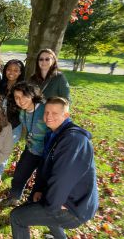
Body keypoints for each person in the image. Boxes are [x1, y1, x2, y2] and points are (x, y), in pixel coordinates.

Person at [9, 97, 98, 239]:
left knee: (17, 217)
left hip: (74, 207)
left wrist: (50, 205)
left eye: (55, 113)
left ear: (66, 115)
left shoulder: (73, 140)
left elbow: (62, 178)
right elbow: (46, 167)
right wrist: (39, 191)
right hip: (67, 199)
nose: (49, 116)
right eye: (46, 112)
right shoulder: (54, 134)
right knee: (49, 207)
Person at [3, 82, 48, 206]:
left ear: (32, 95)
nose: (20, 100)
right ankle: (14, 198)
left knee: (41, 182)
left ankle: (33, 207)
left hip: (47, 153)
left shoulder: (45, 109)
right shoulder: (22, 113)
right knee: (19, 174)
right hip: (31, 150)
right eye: (17, 97)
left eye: (24, 96)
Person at [0, 59, 25, 182]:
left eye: (16, 70)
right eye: (9, 69)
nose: (12, 72)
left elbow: (23, 108)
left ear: (21, 72)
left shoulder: (23, 88)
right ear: (5, 70)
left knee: (5, 149)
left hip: (14, 125)